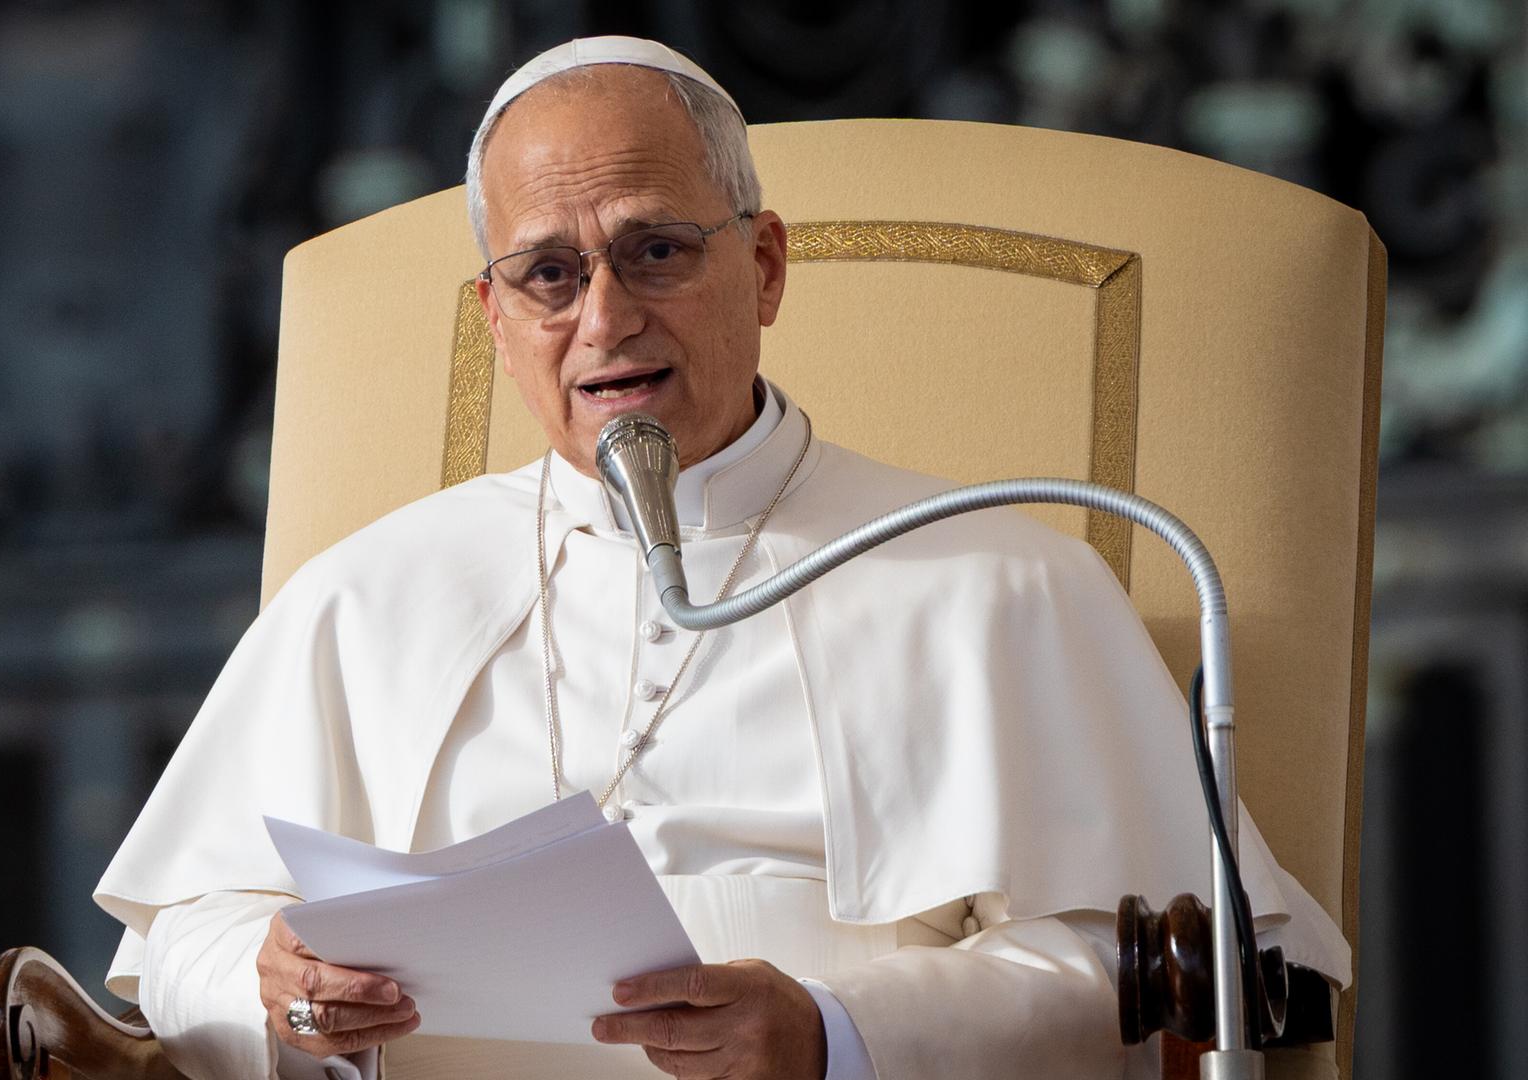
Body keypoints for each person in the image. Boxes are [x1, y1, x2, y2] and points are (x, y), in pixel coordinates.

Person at [93, 36, 1350, 1080]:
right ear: (495, 317)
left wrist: (836, 1034)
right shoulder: (366, 598)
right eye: (548, 274)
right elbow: (186, 941)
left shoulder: (994, 580)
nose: (605, 318)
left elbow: (1169, 969)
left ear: (763, 265)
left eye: (656, 250)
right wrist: (279, 989)